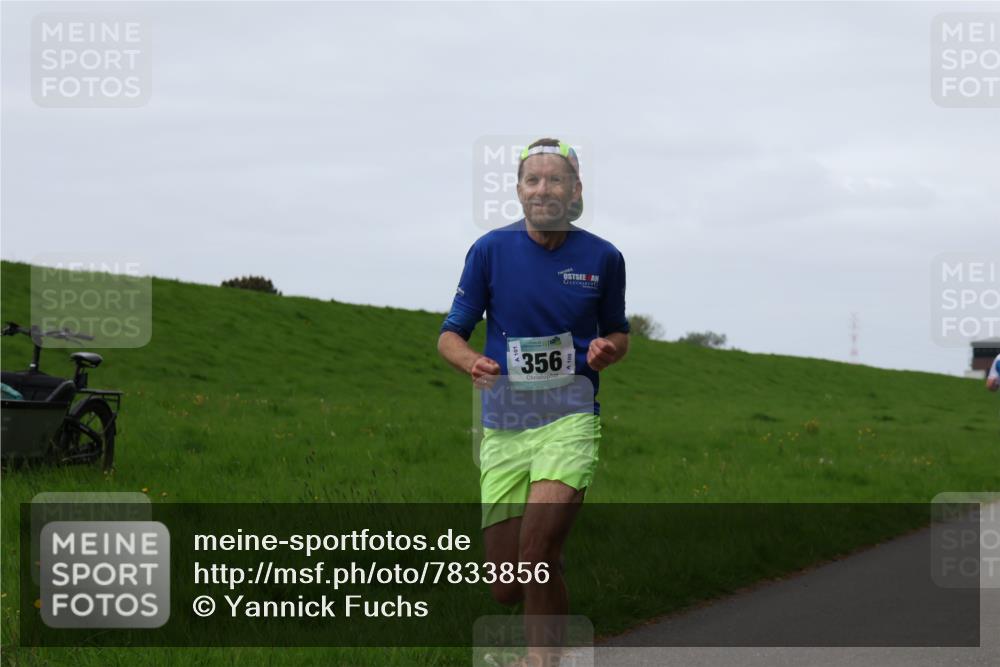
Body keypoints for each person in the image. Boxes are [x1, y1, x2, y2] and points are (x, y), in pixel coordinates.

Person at [437, 138, 629, 666]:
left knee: (537, 554)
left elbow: (618, 333)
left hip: (570, 420)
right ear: (519, 190)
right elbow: (449, 335)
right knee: (506, 584)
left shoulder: (603, 257)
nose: (544, 189)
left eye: (555, 179)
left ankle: (542, 660)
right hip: (505, 425)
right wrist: (470, 361)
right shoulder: (489, 251)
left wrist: (607, 349)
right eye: (533, 180)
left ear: (575, 191)